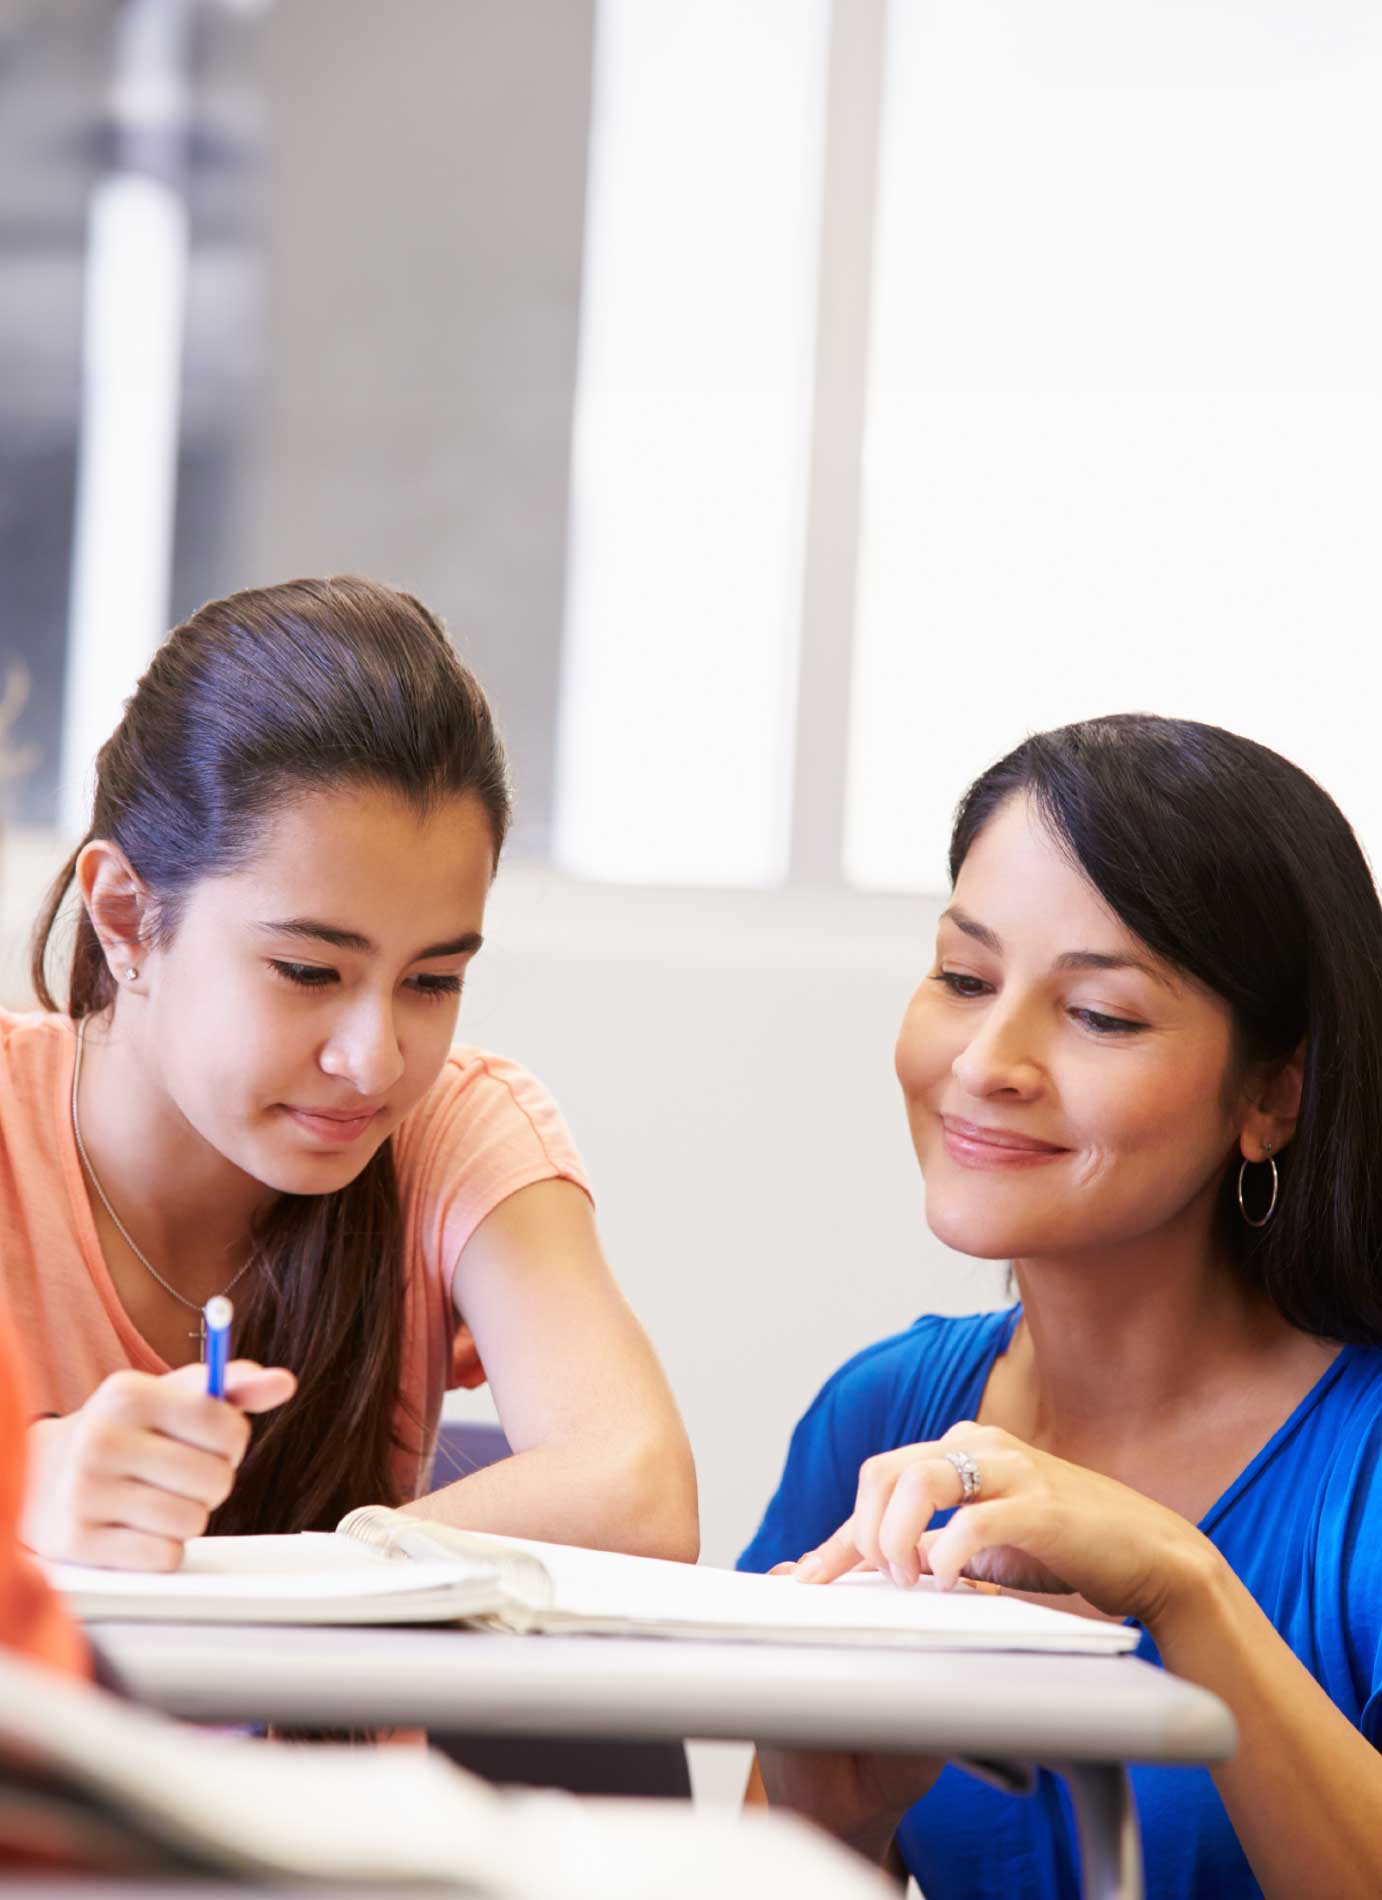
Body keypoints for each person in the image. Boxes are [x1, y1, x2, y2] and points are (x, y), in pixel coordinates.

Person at [739, 715, 1382, 1898]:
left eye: (1099, 1015)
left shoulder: (1362, 1472)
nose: (987, 1059)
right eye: (962, 976)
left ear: (1271, 1094)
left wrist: (1176, 1583)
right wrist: (824, 1829)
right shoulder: (877, 1416)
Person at [7, 575, 697, 1572]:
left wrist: (321, 1558)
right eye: (308, 971)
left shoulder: (458, 1130)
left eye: (431, 979)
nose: (374, 1059)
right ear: (124, 917)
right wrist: (28, 1488)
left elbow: (636, 1490)